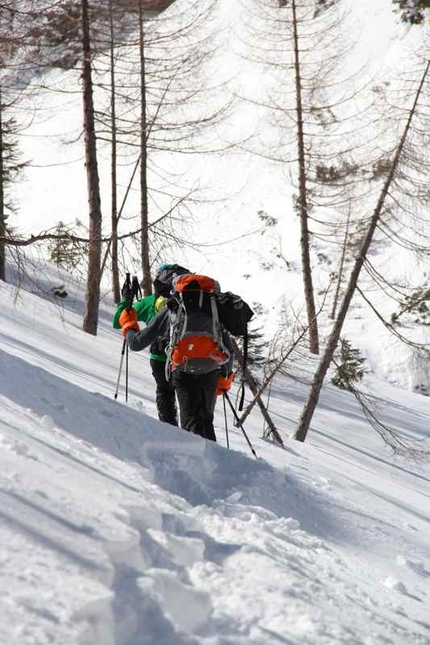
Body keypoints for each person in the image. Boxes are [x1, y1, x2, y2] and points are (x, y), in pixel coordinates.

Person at [118, 273, 234, 442]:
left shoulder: (173, 307)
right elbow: (228, 349)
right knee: (206, 420)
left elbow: (136, 343)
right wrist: (225, 379)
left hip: (182, 368)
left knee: (190, 423)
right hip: (211, 369)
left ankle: (196, 459)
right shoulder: (214, 308)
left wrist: (128, 324)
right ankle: (213, 459)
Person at [113, 263, 190, 426]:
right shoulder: (191, 301)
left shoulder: (149, 302)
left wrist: (126, 300)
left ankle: (169, 429)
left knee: (165, 394)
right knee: (189, 403)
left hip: (160, 358)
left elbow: (117, 321)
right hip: (186, 358)